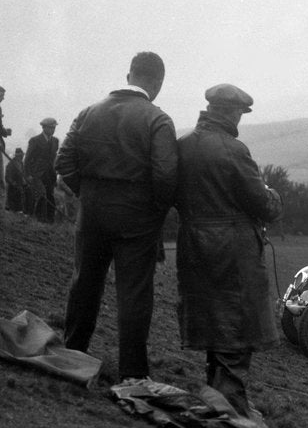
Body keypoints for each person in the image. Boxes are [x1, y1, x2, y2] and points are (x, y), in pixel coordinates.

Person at [56, 51, 178, 382]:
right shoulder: (158, 120)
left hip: (91, 214)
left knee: (84, 284)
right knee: (134, 294)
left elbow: (63, 162)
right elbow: (166, 176)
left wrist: (88, 194)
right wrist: (154, 211)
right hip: (137, 220)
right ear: (158, 83)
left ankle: (72, 355)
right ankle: (132, 374)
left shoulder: (88, 113)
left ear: (128, 76)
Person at [175, 83, 283, 418]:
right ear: (231, 112)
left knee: (214, 321)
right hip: (233, 249)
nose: (239, 119)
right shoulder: (234, 150)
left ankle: (218, 394)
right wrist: (274, 195)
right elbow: (263, 205)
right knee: (238, 323)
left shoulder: (182, 145)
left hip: (193, 244)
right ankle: (230, 404)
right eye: (239, 113)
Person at [25, 117, 60, 223]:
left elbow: (54, 158)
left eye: (54, 128)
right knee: (42, 194)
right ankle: (39, 218)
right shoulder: (35, 140)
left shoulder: (55, 141)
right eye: (50, 128)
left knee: (50, 195)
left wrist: (55, 172)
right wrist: (28, 174)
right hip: (37, 173)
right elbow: (27, 159)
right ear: (44, 127)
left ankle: (50, 220)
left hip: (50, 174)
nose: (53, 130)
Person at [5, 147, 28, 213]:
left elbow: (22, 174)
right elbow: (8, 176)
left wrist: (24, 182)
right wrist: (13, 183)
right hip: (12, 185)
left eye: (22, 155)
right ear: (17, 156)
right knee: (12, 199)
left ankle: (19, 210)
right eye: (20, 156)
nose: (22, 157)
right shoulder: (11, 164)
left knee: (20, 197)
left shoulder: (21, 163)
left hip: (19, 184)